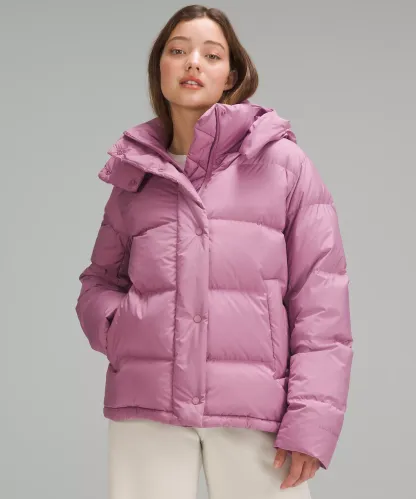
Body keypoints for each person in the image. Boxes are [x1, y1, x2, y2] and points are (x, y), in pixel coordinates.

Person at [75, 5, 353, 499]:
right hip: (148, 407)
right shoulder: (136, 173)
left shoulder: (283, 165)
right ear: (160, 70)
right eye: (178, 51)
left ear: (232, 75)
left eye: (211, 54)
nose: (192, 63)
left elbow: (321, 302)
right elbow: (98, 282)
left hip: (254, 410)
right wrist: (123, 330)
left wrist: (311, 420)